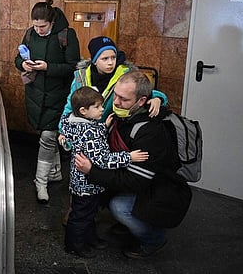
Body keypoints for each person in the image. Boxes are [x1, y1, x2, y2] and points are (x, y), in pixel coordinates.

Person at [75, 71, 192, 259]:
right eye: (116, 95)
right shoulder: (122, 116)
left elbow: (134, 181)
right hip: (133, 175)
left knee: (119, 206)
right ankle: (130, 224)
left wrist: (92, 171)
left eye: (124, 99)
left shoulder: (150, 131)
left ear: (141, 101)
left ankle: (154, 239)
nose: (116, 102)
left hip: (158, 187)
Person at [60, 86, 149, 258]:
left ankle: (90, 238)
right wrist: (128, 157)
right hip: (88, 183)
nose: (103, 109)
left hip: (80, 181)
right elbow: (103, 159)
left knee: (89, 213)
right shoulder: (90, 132)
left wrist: (103, 127)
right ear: (83, 111)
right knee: (81, 216)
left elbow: (83, 136)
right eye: (98, 107)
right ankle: (74, 245)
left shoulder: (72, 122)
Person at [14, 0, 80, 204]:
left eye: (42, 26)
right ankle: (56, 172)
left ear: (51, 22)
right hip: (34, 93)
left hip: (57, 94)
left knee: (48, 136)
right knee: (45, 134)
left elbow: (72, 66)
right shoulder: (30, 33)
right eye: (35, 25)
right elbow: (17, 58)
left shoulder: (66, 35)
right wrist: (23, 63)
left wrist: (47, 67)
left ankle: (40, 182)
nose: (39, 30)